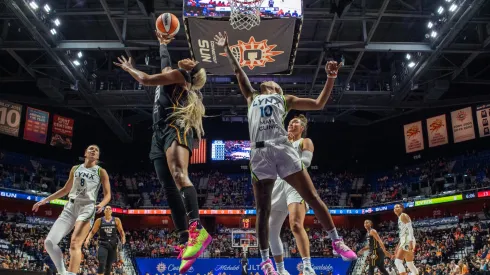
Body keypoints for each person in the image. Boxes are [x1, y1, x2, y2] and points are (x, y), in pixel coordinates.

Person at [215, 31, 356, 275]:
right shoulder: (251, 97)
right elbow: (239, 72)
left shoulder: (285, 99)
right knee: (263, 211)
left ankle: (336, 241)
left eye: (273, 81)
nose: (267, 81)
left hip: (282, 148)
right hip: (259, 154)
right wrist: (227, 49)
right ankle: (265, 261)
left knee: (311, 196)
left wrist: (331, 77)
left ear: (278, 88)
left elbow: (319, 104)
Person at [113, 31, 211, 273]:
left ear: (193, 73)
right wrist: (162, 44)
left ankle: (198, 231)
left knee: (179, 175)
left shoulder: (181, 76)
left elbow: (145, 79)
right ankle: (184, 239)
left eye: (192, 61)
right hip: (158, 134)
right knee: (168, 187)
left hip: (175, 127)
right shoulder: (170, 74)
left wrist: (129, 69)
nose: (187, 58)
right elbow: (164, 62)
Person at [32, 145, 111, 275]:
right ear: (85, 153)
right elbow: (65, 190)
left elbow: (108, 194)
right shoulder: (75, 169)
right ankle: (62, 272)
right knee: (49, 243)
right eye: (91, 149)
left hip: (87, 207)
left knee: (74, 243)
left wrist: (101, 204)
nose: (93, 150)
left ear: (98, 156)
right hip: (70, 207)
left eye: (96, 150)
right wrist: (45, 200)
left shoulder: (101, 171)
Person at [268, 115, 315, 275]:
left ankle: (307, 266)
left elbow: (306, 162)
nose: (291, 124)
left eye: (295, 122)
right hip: (278, 185)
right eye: (289, 122)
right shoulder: (281, 143)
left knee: (295, 224)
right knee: (271, 230)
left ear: (302, 128)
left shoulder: (305, 141)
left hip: (295, 183)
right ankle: (281, 270)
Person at [84, 206, 126, 275]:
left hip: (113, 245)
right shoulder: (99, 220)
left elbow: (121, 231)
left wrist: (123, 238)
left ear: (112, 211)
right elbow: (92, 232)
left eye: (110, 208)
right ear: (104, 211)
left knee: (109, 265)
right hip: (102, 243)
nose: (108, 209)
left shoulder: (116, 220)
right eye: (106, 208)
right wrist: (87, 239)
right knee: (102, 262)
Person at [393, 204, 419, 275]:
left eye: (397, 207)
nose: (395, 209)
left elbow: (410, 229)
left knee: (397, 262)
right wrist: (398, 246)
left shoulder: (403, 215)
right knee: (409, 263)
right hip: (405, 240)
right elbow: (402, 234)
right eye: (394, 208)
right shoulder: (400, 217)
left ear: (402, 208)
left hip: (407, 240)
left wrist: (410, 241)